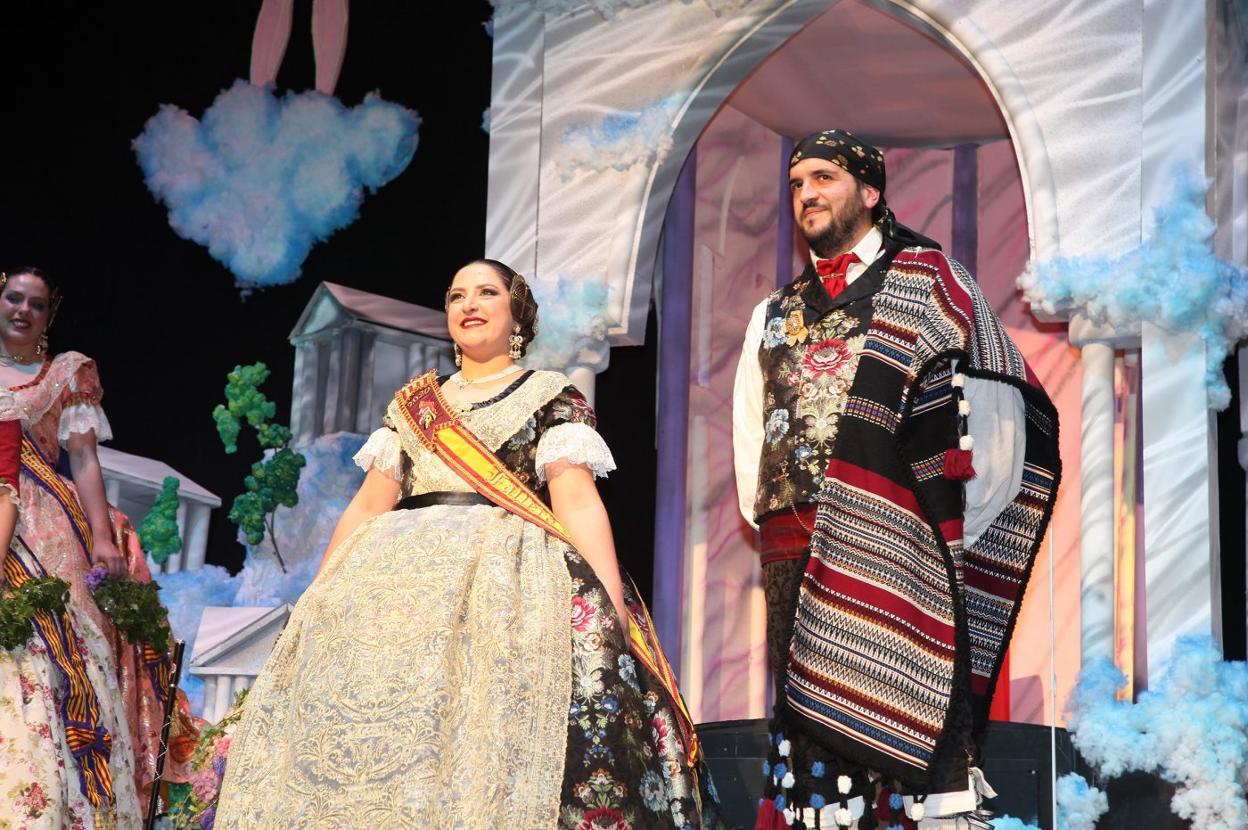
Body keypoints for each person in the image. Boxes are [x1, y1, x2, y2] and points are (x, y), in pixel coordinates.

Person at [217, 259, 724, 829]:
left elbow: (577, 502)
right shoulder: (413, 406)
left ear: (517, 314)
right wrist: (319, 594)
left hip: (503, 585)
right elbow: (366, 506)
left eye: (486, 292)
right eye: (457, 295)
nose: (469, 304)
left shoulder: (549, 395)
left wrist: (610, 606)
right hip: (393, 587)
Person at [732, 131, 1061, 828]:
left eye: (823, 177)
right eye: (796, 184)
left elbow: (999, 411)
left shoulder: (931, 283)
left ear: (870, 190)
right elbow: (748, 434)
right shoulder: (771, 312)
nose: (806, 195)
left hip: (902, 540)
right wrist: (776, 521)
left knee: (911, 729)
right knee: (815, 743)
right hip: (797, 549)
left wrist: (950, 529)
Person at [0, 266, 144, 825]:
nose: (22, 310)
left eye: (35, 304)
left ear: (49, 314)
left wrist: (103, 538)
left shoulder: (64, 373)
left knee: (62, 651)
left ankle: (70, 803)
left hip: (44, 522)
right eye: (13, 298)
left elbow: (83, 458)